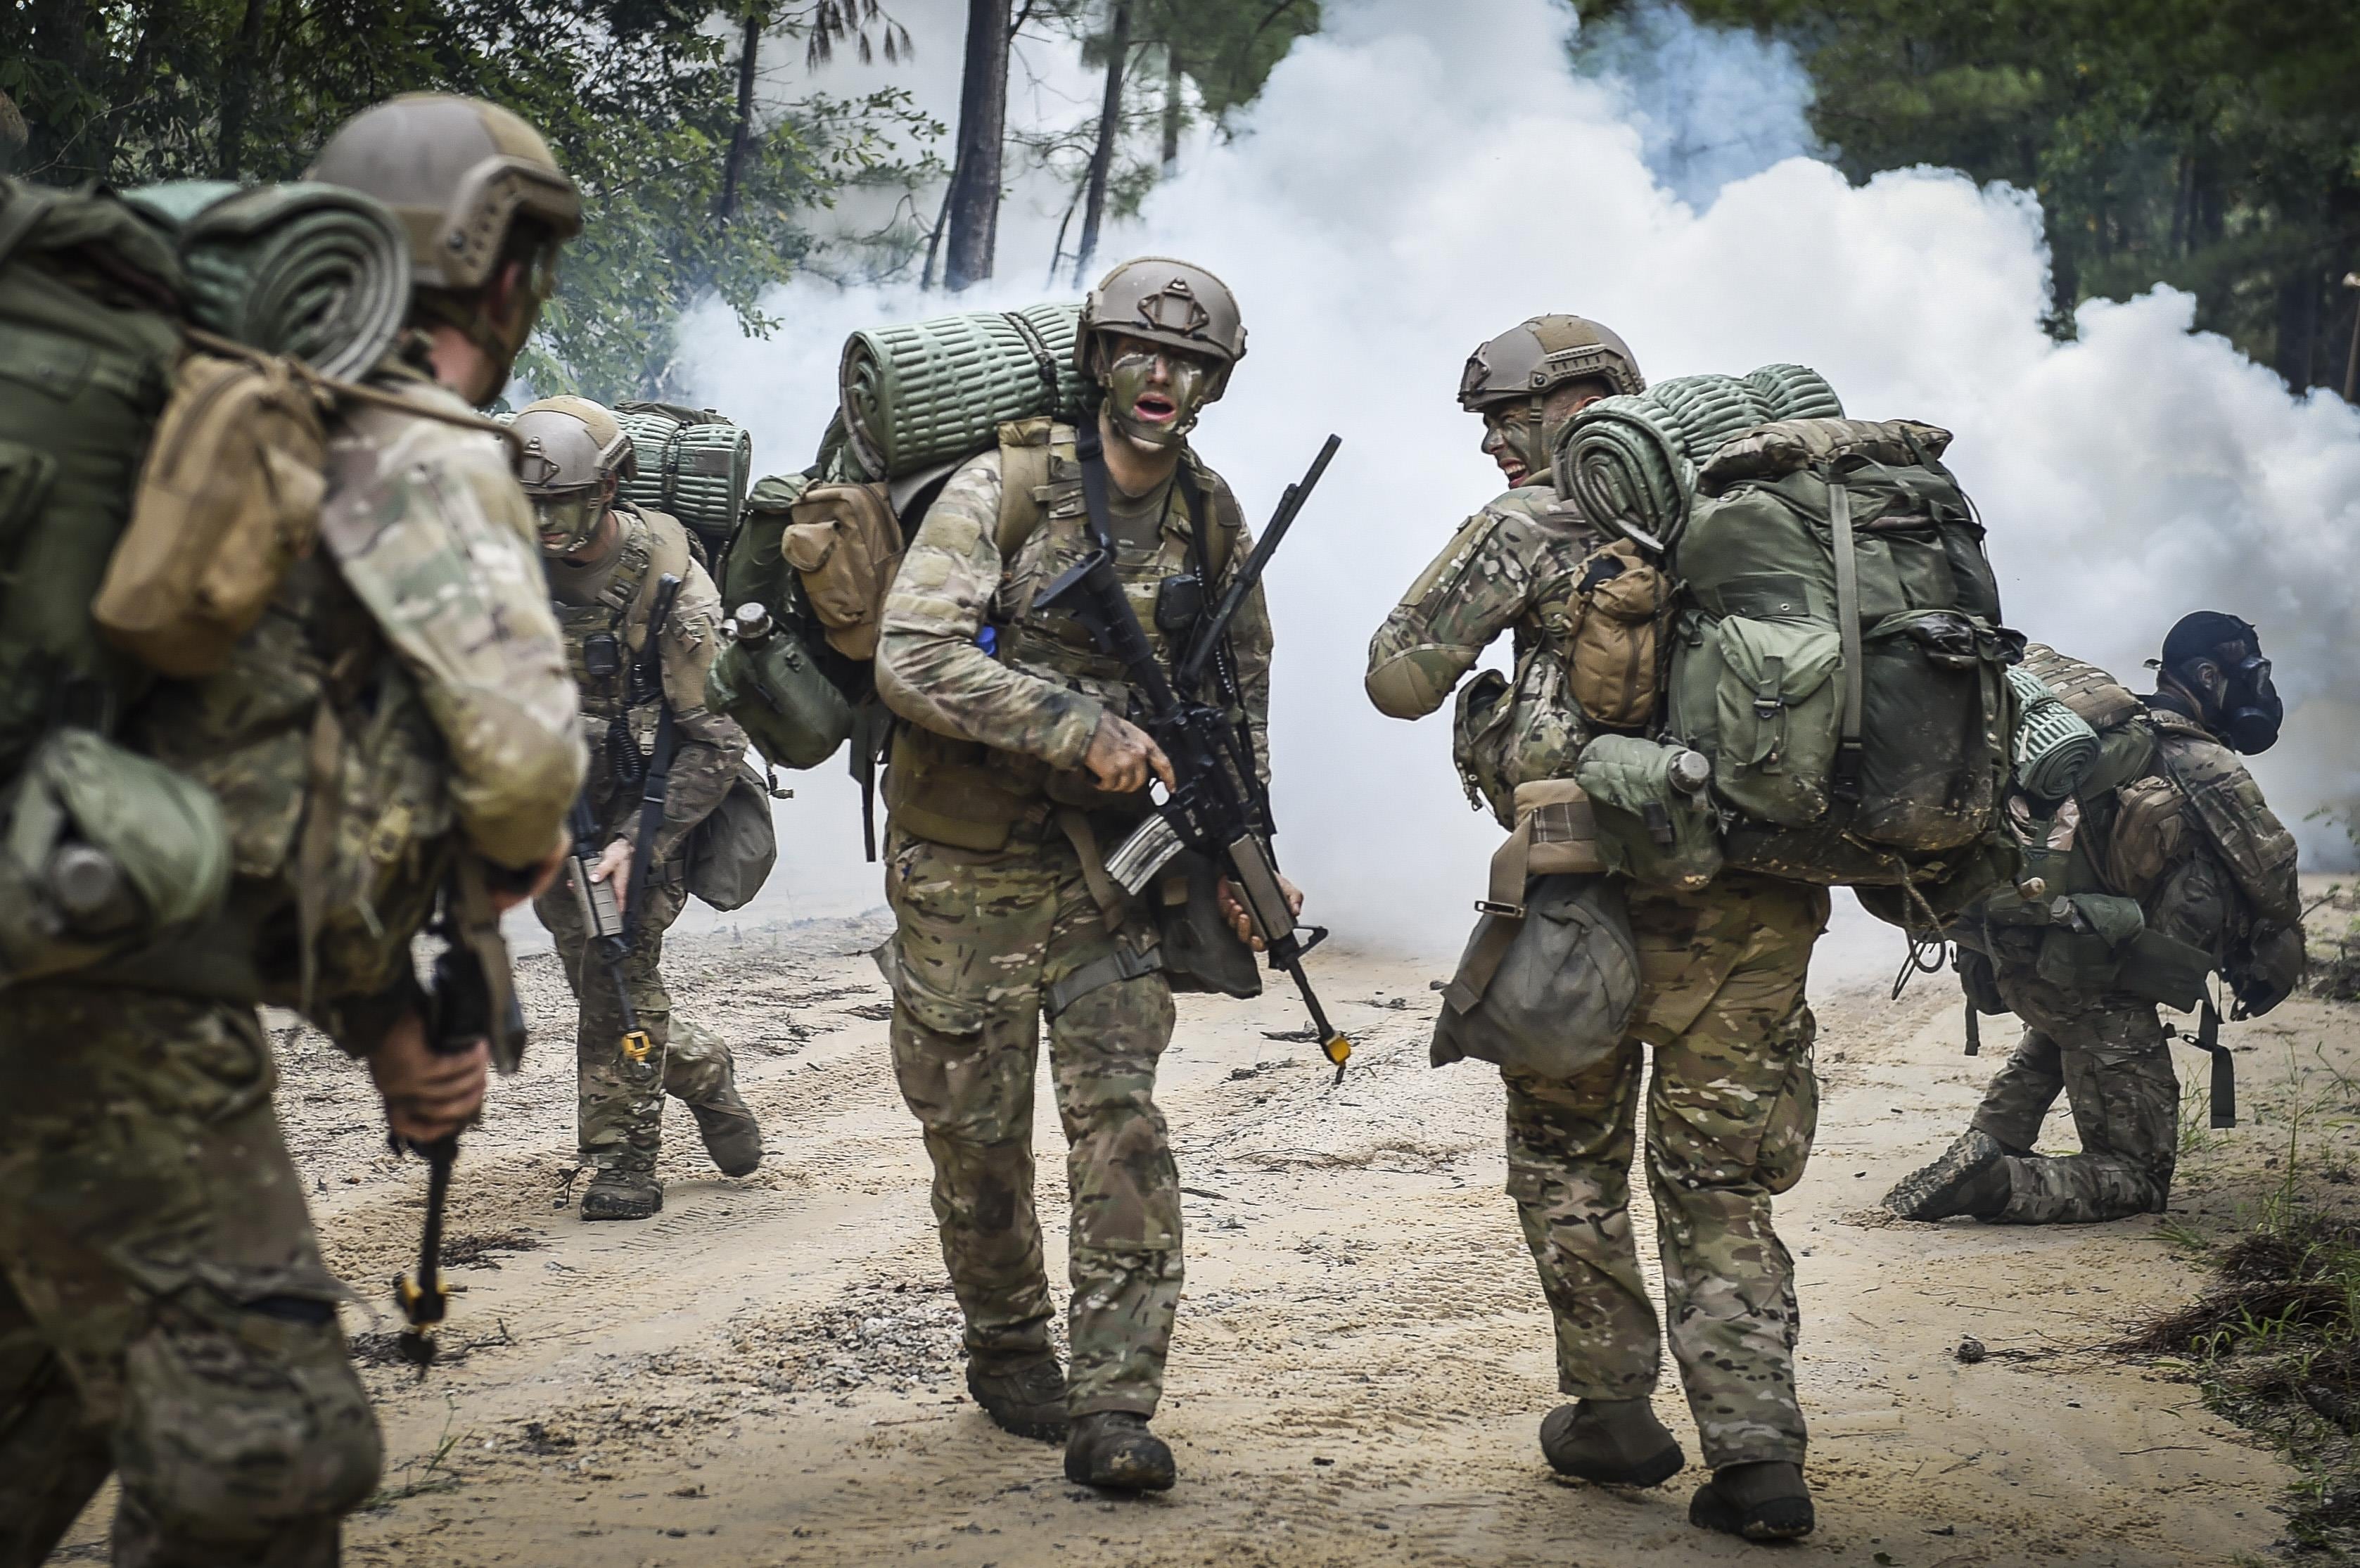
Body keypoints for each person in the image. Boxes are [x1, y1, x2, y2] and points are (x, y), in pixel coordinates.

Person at [0, 91, 585, 1566]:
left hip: (50, 949)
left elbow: (234, 793)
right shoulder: (416, 447)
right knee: (268, 1452)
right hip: (98, 1013)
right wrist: (513, 846)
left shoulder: (196, 419)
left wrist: (388, 1015)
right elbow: (520, 759)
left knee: (63, 1389)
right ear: (491, 263)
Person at [1366, 314, 1828, 1543]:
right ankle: (1758, 1455)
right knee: (1720, 1179)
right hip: (1756, 910)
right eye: (1484, 424)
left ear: (1590, 401)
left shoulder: (1529, 526)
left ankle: (1613, 1410)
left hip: (1587, 898)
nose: (1494, 445)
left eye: (1510, 417)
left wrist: (1487, 704)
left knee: (1569, 1155)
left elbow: (1397, 674)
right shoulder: (1774, 521)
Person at [872, 256, 1286, 1493]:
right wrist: (1075, 725)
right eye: (1143, 355)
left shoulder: (1211, 515)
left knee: (1123, 1127)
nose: (1163, 380)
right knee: (975, 1133)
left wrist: (1246, 856)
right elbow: (912, 653)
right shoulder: (1002, 488)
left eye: (1191, 364)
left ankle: (1116, 1402)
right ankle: (1008, 1345)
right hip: (966, 869)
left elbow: (1236, 701)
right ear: (1102, 357)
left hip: (1116, 878)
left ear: (1214, 382)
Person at [1887, 613, 2304, 1223]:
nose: (2258, 691)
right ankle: (1998, 1183)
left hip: (2028, 955)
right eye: (2251, 675)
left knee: (2064, 1031)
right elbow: (2271, 873)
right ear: (2209, 676)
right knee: (2135, 1173)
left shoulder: (2113, 740)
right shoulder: (2199, 759)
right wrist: (2277, 950)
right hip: (2083, 973)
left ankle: (1988, 1142)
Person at [510, 395, 763, 1221]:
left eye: (560, 502)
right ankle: (702, 1068)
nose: (542, 520)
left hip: (650, 802)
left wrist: (635, 842)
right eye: (530, 503)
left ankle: (623, 1158)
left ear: (610, 488)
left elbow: (717, 742)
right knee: (594, 970)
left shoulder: (670, 587)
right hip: (550, 797)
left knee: (621, 969)